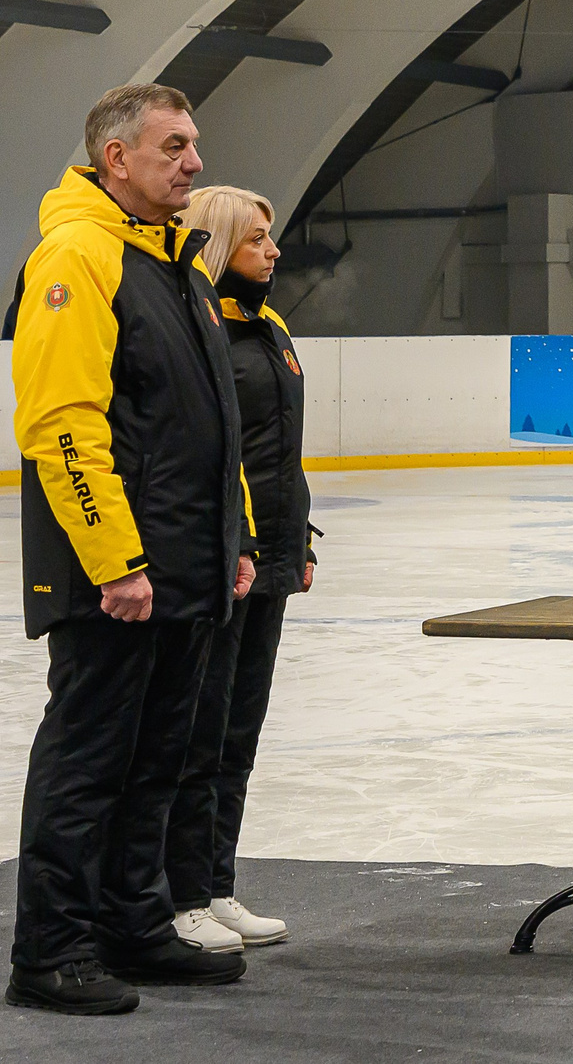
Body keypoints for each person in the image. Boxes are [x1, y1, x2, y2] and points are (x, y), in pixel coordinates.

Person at [9, 85, 255, 1016]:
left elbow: (210, 422)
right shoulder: (78, 253)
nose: (195, 163)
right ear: (116, 158)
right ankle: (52, 948)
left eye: (194, 146)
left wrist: (232, 537)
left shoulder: (176, 260)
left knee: (158, 757)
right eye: (175, 146)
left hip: (185, 565)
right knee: (89, 758)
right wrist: (115, 559)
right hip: (115, 572)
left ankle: (132, 920)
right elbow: (62, 423)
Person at [167, 187, 313, 955]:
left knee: (240, 732)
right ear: (222, 247)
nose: (274, 250)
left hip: (272, 560)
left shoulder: (272, 326)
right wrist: (245, 545)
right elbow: (216, 457)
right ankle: (181, 893)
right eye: (258, 239)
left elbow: (283, 450)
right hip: (228, 560)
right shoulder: (204, 332)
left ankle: (215, 883)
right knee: (202, 731)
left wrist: (301, 543)